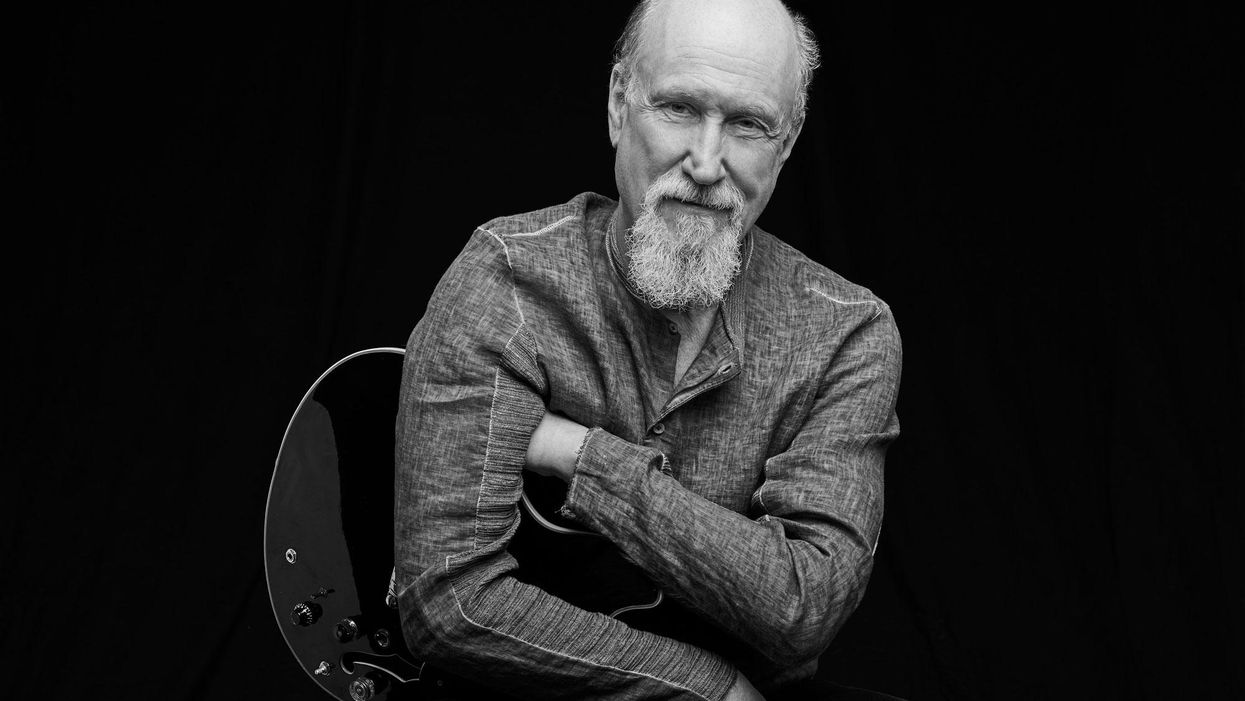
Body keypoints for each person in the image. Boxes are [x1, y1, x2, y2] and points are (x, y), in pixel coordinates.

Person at [394, 0, 902, 698]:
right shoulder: (505, 282)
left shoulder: (847, 333)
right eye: (678, 108)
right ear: (617, 105)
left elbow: (802, 609)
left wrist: (580, 455)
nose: (706, 162)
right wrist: (704, 688)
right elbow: (449, 602)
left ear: (785, 145)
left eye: (748, 124)